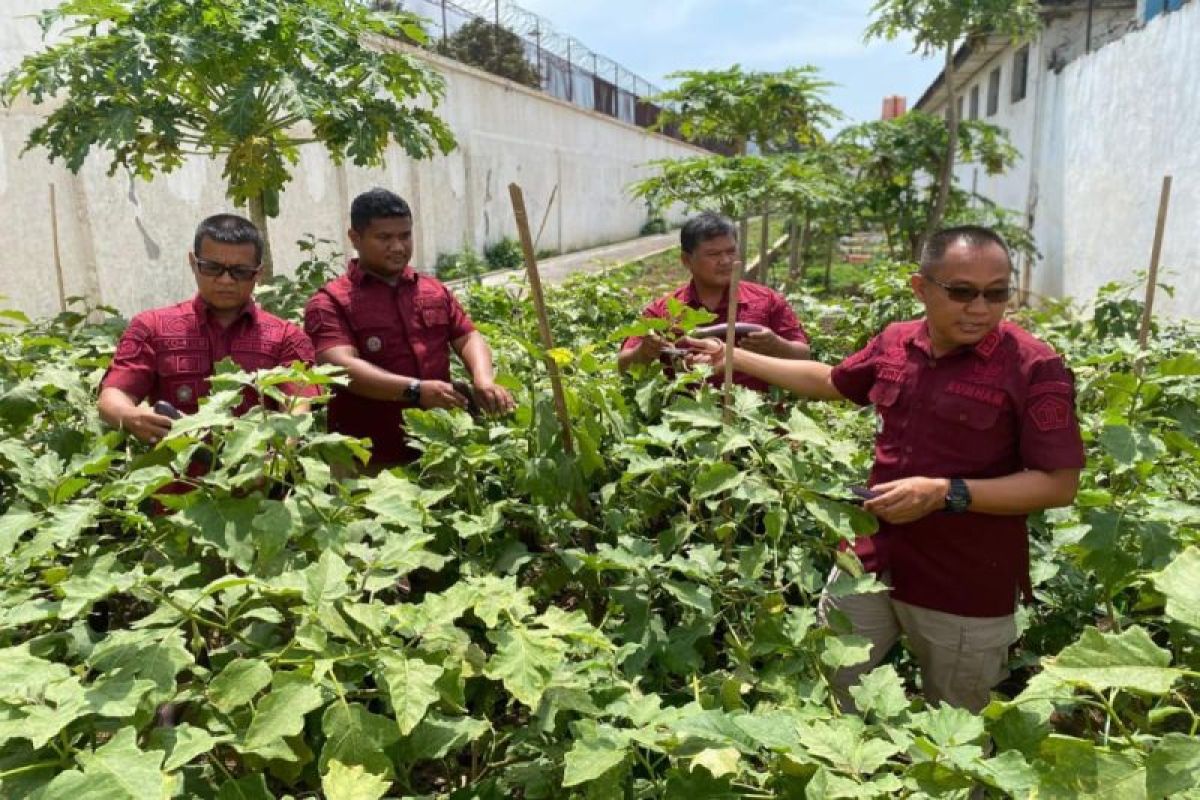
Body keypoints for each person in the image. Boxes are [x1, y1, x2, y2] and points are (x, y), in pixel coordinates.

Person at [685, 225, 1085, 712]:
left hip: (963, 585)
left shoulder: (1033, 366)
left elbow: (1059, 484)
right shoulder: (896, 342)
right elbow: (831, 381)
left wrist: (947, 492)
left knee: (955, 729)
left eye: (996, 293)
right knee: (831, 692)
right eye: (962, 292)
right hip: (869, 562)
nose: (980, 308)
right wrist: (732, 356)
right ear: (922, 288)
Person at [304, 188, 514, 468]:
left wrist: (483, 379)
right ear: (355, 238)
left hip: (436, 446)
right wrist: (415, 390)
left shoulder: (432, 290)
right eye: (384, 238)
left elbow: (467, 336)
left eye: (405, 235)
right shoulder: (330, 301)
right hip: (367, 454)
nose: (399, 247)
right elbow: (341, 368)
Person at [98, 213, 317, 442]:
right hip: (175, 474)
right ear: (193, 263)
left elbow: (297, 407)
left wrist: (275, 459)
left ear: (258, 273)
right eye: (212, 268)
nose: (225, 280)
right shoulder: (152, 328)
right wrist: (131, 417)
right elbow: (113, 395)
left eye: (240, 272)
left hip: (254, 471)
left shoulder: (287, 337)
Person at [618, 211, 810, 390]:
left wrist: (777, 346)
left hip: (756, 418)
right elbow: (623, 367)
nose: (725, 261)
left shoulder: (767, 301)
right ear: (686, 260)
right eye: (713, 254)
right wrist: (644, 352)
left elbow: (803, 355)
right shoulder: (663, 311)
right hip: (684, 417)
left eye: (731, 251)